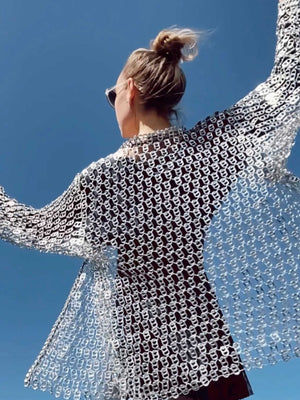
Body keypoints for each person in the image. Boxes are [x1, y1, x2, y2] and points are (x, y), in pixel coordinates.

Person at [0, 0, 299, 399]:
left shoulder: (102, 178)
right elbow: (287, 84)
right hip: (203, 345)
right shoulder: (210, 149)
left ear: (131, 89)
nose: (112, 104)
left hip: (142, 355)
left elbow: (30, 228)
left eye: (112, 94)